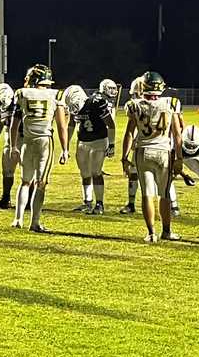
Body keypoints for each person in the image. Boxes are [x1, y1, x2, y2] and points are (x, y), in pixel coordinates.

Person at [120, 71, 184, 243]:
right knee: (164, 194)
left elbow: (129, 134)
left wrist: (124, 158)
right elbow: (177, 135)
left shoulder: (134, 105)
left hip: (143, 152)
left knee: (147, 193)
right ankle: (167, 231)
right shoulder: (171, 103)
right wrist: (179, 158)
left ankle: (151, 233)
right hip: (163, 152)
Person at [9, 64, 70, 231]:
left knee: (25, 182)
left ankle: (18, 219)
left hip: (27, 142)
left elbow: (14, 124)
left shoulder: (21, 93)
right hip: (44, 141)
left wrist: (13, 145)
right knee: (40, 183)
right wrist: (65, 149)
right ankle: (34, 222)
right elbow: (62, 126)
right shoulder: (55, 94)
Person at [67, 84, 115, 215]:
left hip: (98, 140)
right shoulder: (73, 107)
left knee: (96, 172)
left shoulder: (96, 102)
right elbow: (71, 125)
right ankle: (87, 202)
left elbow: (111, 124)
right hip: (82, 141)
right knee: (84, 173)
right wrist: (65, 146)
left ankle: (99, 203)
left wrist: (111, 144)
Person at [118, 76, 145, 214]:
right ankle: (174, 206)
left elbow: (130, 131)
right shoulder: (165, 103)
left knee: (134, 174)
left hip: (143, 146)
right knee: (163, 177)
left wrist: (124, 157)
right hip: (162, 146)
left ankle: (131, 203)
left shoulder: (133, 105)